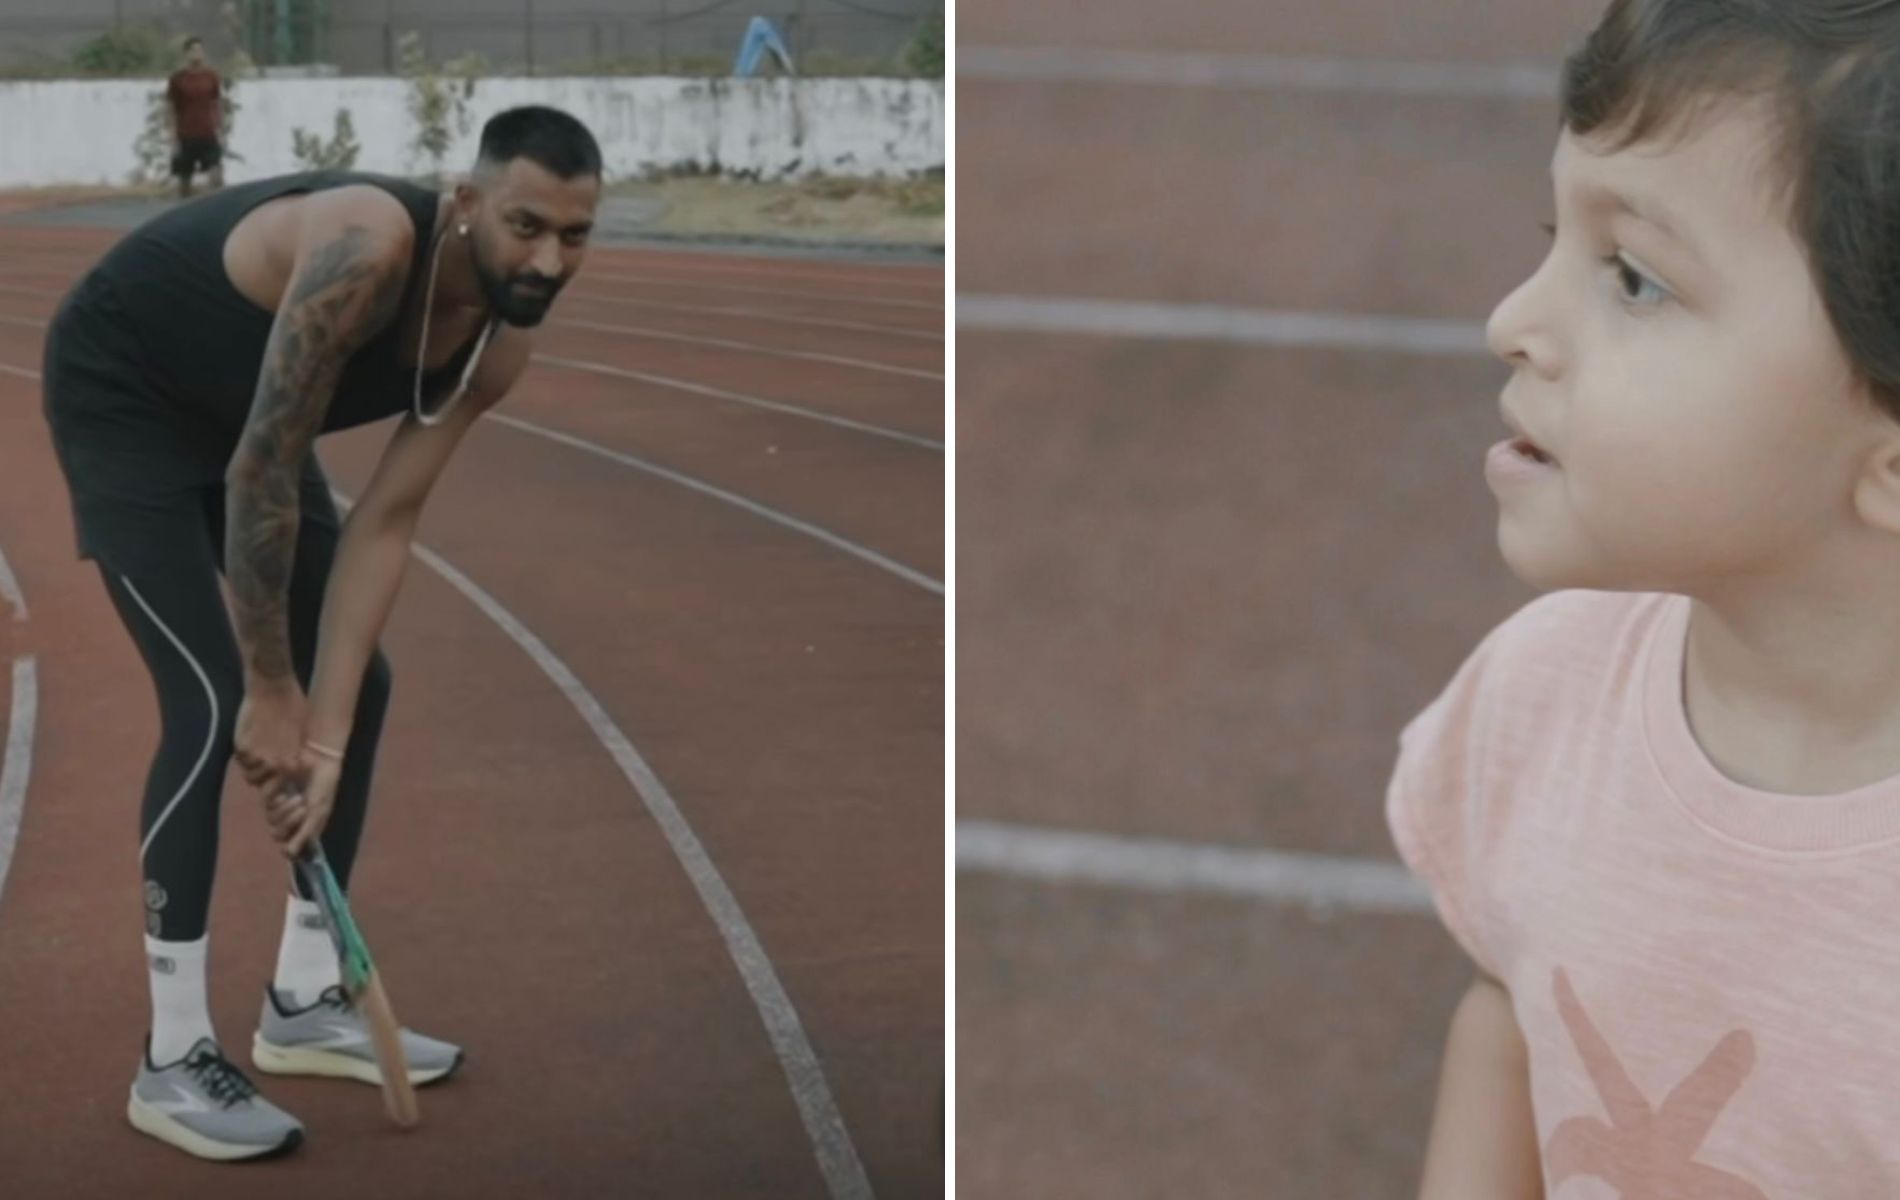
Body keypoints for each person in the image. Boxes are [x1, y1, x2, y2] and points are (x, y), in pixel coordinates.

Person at [1388, 1, 1900, 1195]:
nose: (1510, 322)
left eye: (1632, 278)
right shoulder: (1540, 692)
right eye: (1550, 233)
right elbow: (1509, 1013)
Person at [39, 105, 602, 1162]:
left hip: (249, 416)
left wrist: (326, 735)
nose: (548, 257)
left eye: (575, 235)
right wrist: (273, 688)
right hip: (128, 396)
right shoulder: (369, 247)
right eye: (527, 225)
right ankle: (170, 1060)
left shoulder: (501, 339)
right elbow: (260, 471)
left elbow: (386, 522)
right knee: (214, 706)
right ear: (469, 200)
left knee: (365, 689)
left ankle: (303, 999)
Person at [166, 36, 224, 200]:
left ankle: (215, 211)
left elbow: (217, 104)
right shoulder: (178, 79)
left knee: (216, 176)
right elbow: (171, 109)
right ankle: (184, 215)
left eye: (200, 50)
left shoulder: (211, 77)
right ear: (186, 54)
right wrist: (173, 138)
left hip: (208, 134)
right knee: (184, 183)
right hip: (186, 135)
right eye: (193, 50)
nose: (197, 54)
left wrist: (220, 131)